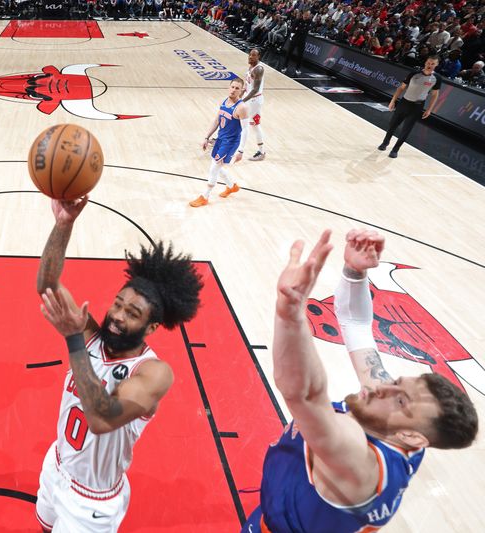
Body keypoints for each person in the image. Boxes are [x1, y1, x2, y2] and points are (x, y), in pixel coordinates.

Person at [242, 228, 478, 532]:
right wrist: (355, 272)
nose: (382, 386)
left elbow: (304, 394)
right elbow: (356, 325)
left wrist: (290, 314)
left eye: (401, 399)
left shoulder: (359, 463)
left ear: (412, 438)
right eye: (399, 382)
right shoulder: (396, 422)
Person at [34, 196, 203, 532]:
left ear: (152, 327)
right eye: (118, 304)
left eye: (132, 313)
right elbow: (47, 286)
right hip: (56, 465)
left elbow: (101, 417)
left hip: (91, 502)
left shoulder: (154, 372)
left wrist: (73, 340)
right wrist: (63, 225)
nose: (117, 317)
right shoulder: (94, 337)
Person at [190, 77, 248, 207]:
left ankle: (205, 196)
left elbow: (245, 130)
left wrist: (241, 150)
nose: (233, 90)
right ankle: (231, 186)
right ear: (229, 87)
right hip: (220, 139)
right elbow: (217, 120)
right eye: (232, 87)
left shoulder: (242, 107)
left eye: (237, 88)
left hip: (230, 142)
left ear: (241, 91)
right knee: (217, 165)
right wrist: (206, 137)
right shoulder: (225, 101)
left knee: (214, 167)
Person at [378, 56, 440, 158]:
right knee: (392, 125)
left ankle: (395, 149)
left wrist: (429, 109)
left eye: (433, 64)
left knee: (406, 129)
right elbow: (401, 87)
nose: (430, 65)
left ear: (436, 65)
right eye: (429, 63)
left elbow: (435, 94)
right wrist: (393, 101)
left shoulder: (437, 78)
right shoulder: (414, 73)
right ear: (425, 63)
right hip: (404, 103)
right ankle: (385, 143)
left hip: (417, 107)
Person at [238, 48, 266, 162]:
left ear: (258, 57)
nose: (250, 57)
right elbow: (248, 84)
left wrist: (243, 100)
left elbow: (255, 89)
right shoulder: (251, 66)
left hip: (254, 100)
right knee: (252, 124)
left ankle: (260, 151)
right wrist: (242, 92)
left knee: (251, 124)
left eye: (253, 55)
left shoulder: (258, 69)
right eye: (250, 54)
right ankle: (261, 151)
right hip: (250, 99)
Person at [281, 9, 311, 75]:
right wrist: (293, 36)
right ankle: (284, 66)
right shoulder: (298, 20)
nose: (306, 16)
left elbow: (306, 30)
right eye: (305, 14)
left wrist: (299, 29)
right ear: (303, 14)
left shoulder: (309, 21)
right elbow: (293, 29)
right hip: (295, 39)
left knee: (300, 56)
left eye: (308, 15)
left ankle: (297, 68)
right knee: (289, 53)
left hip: (302, 41)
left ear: (309, 16)